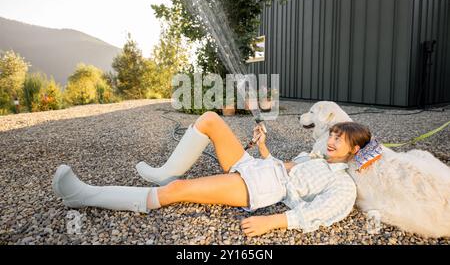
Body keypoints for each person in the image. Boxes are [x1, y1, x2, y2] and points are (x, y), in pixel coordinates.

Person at [53, 111, 377, 237]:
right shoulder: (315, 155)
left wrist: (272, 221)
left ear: (355, 150)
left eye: (342, 139)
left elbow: (320, 212)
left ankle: (81, 195)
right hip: (258, 167)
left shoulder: (342, 183)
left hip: (262, 186)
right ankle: (160, 173)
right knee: (209, 119)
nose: (333, 141)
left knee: (179, 190)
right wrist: (263, 148)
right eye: (333, 134)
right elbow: (285, 166)